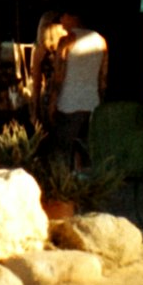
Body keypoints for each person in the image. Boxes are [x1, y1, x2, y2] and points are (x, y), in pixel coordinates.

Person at [50, 11, 106, 168]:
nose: (61, 20)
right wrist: (101, 101)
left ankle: (65, 184)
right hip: (92, 102)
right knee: (88, 148)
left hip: (69, 103)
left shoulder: (67, 41)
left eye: (62, 16)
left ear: (71, 16)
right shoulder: (100, 40)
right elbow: (103, 77)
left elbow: (58, 76)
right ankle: (88, 182)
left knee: (62, 150)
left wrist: (52, 103)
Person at [27, 10, 67, 131]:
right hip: (65, 94)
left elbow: (37, 82)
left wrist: (35, 111)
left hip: (50, 95)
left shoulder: (40, 51)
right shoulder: (66, 47)